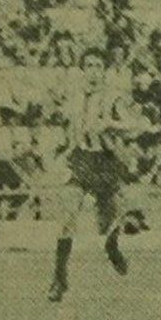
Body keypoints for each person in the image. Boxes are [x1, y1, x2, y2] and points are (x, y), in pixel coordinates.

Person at [45, 47, 148, 302]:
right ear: (83, 70)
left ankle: (112, 247)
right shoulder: (75, 97)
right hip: (81, 160)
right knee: (68, 216)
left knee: (107, 224)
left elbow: (135, 126)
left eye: (98, 66)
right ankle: (59, 279)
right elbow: (70, 127)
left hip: (105, 163)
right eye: (88, 66)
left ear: (104, 71)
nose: (93, 71)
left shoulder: (114, 99)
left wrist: (111, 124)